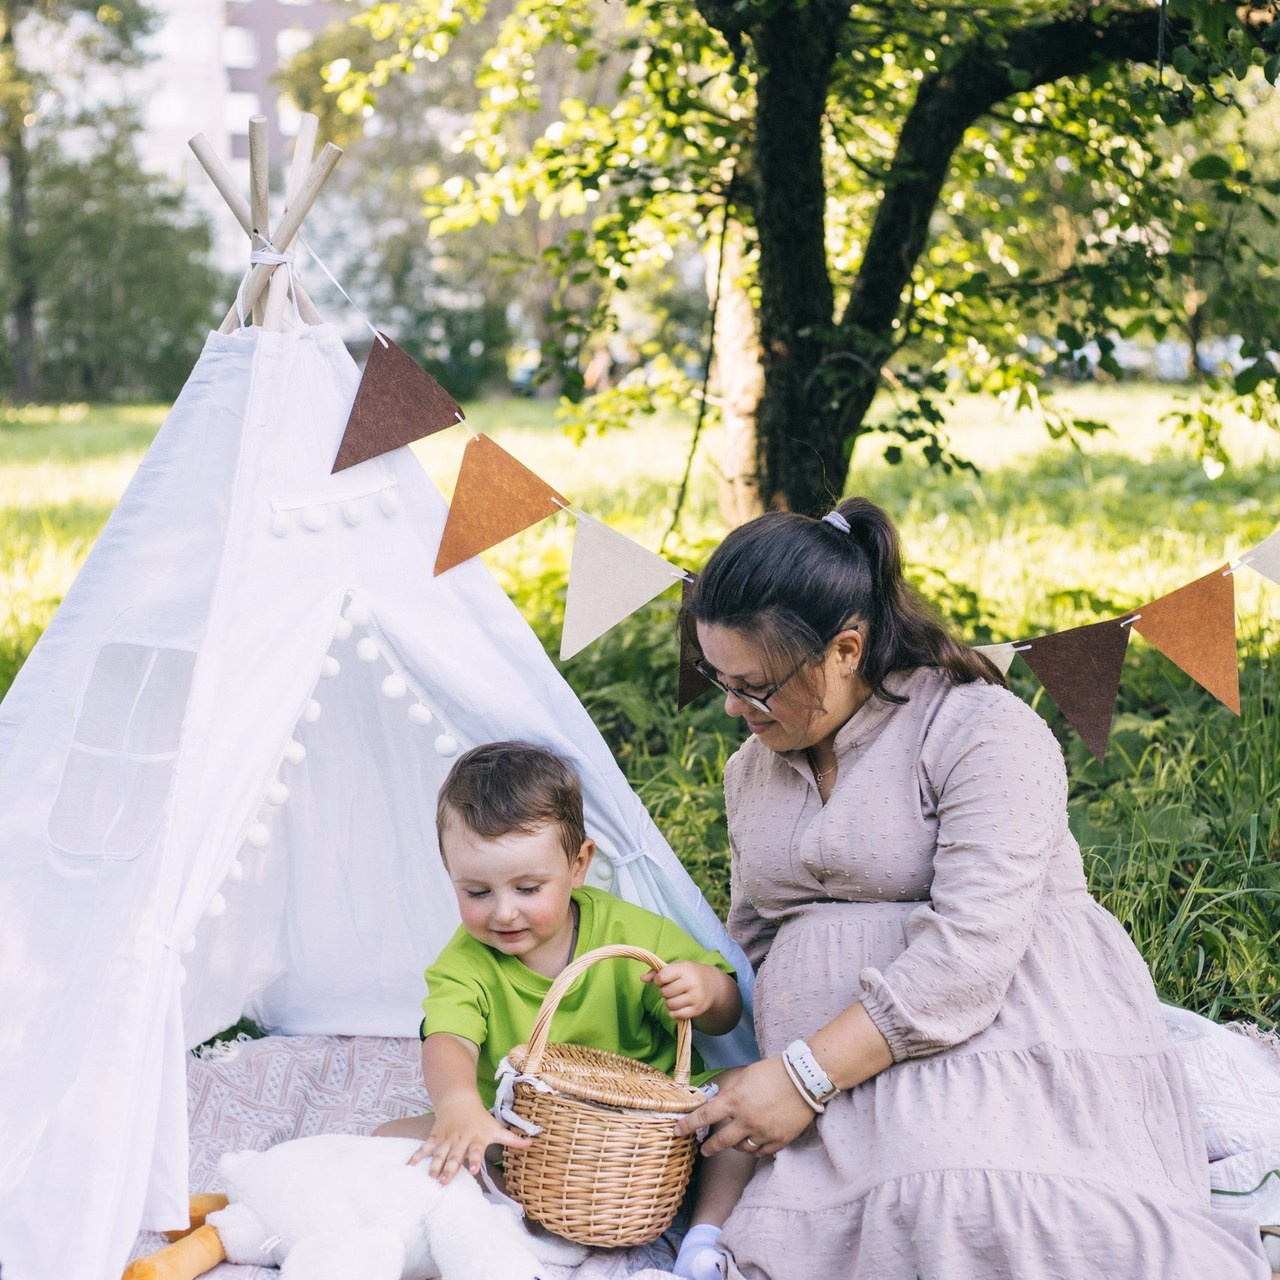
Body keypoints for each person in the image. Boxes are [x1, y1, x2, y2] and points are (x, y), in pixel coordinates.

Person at [672, 497, 1271, 1279]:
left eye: (754, 686)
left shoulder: (980, 729)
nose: (730, 708)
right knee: (782, 1231)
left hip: (989, 1030)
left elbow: (971, 954)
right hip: (824, 1073)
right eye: (717, 678)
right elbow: (754, 936)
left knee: (955, 1196)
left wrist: (802, 1075)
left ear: (846, 649)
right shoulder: (751, 771)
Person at [376, 740, 754, 1279]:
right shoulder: (466, 962)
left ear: (578, 866)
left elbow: (726, 1018)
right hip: (520, 1135)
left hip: (641, 1134)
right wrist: (459, 1103)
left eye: (528, 888)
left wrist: (707, 992)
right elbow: (448, 1038)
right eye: (476, 891)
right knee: (389, 1142)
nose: (504, 912)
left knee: (741, 1097)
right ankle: (502, 1219)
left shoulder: (629, 932)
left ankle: (704, 1237)